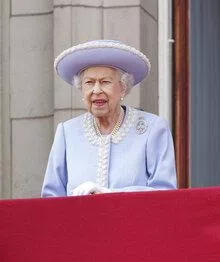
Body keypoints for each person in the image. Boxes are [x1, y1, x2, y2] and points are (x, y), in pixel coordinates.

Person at [41, 39, 177, 196]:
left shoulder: (152, 129)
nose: (96, 90)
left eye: (105, 82)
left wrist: (109, 194)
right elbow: (51, 198)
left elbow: (165, 193)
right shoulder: (67, 132)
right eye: (89, 83)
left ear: (123, 88)